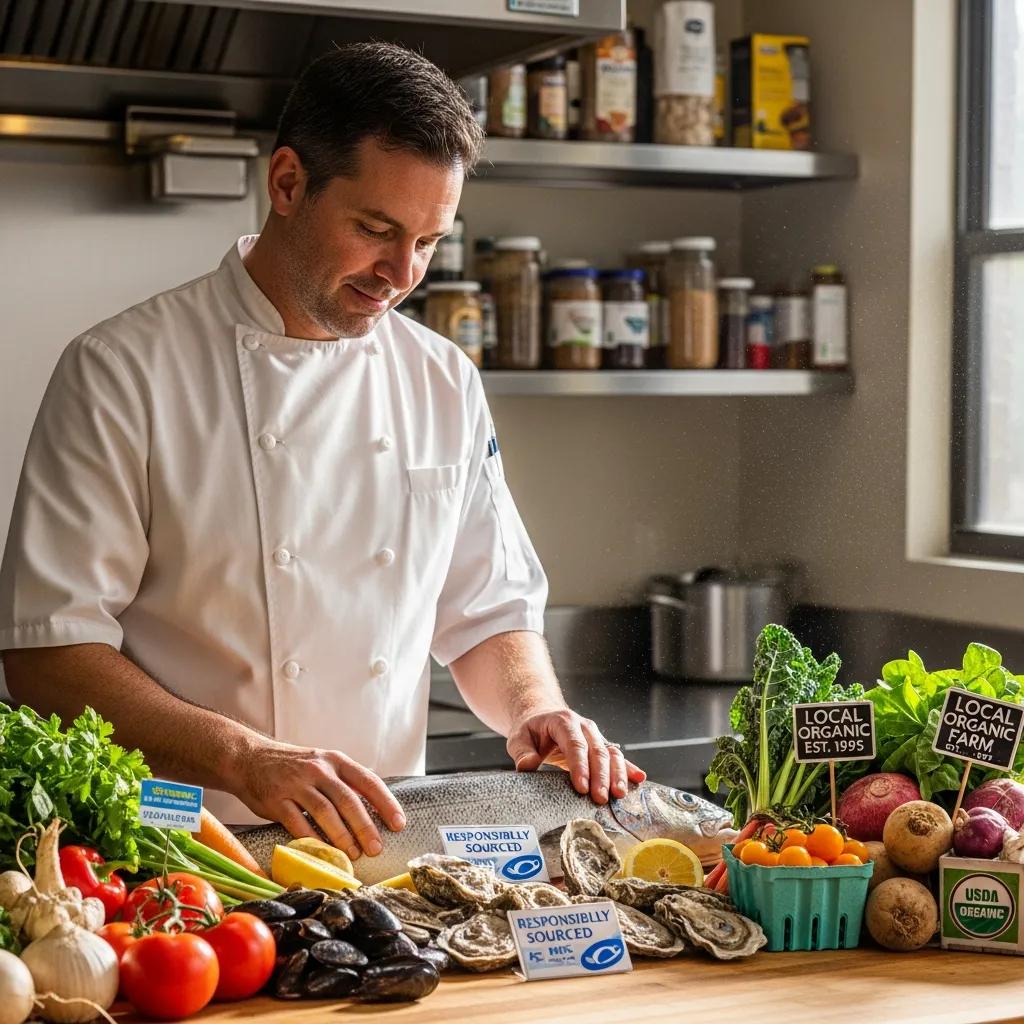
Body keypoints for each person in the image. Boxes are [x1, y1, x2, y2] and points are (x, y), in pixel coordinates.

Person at [0, 43, 644, 865]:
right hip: (183, 849)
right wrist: (245, 759)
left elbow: (487, 611)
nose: (400, 273)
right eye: (376, 230)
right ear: (288, 183)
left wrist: (533, 709)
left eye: (428, 241)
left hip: (388, 852)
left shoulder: (442, 378)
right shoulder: (122, 370)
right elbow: (49, 654)